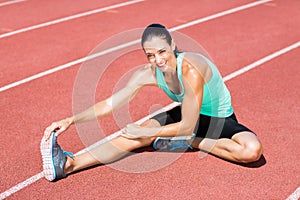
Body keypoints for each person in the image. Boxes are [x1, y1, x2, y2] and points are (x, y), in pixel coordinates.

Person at [41, 24, 263, 182]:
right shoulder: (147, 74)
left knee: (252, 151)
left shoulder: (191, 69)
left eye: (161, 52)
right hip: (185, 115)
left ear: (172, 45)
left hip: (219, 120)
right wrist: (71, 120)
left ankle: (193, 143)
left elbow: (187, 126)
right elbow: (109, 105)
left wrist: (145, 133)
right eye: (150, 55)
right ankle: (69, 165)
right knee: (132, 135)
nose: (158, 60)